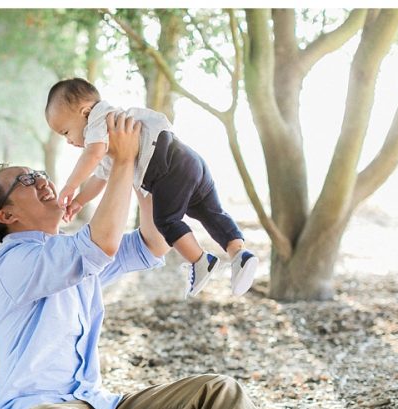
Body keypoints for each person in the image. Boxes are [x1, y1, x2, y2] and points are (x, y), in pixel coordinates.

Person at [0, 112, 379, 409]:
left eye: (39, 173)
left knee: (215, 390)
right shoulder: (12, 261)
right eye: (25, 181)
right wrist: (121, 160)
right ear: (6, 216)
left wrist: (137, 170)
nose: (42, 180)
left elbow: (152, 243)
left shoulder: (72, 255)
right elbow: (101, 244)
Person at [46, 77, 257, 298]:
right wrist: (80, 201)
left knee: (167, 221)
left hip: (167, 169)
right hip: (188, 161)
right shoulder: (110, 137)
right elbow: (99, 177)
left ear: (85, 112)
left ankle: (200, 260)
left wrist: (70, 185)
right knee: (210, 212)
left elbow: (93, 154)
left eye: (66, 132)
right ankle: (239, 254)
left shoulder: (99, 120)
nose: (69, 141)